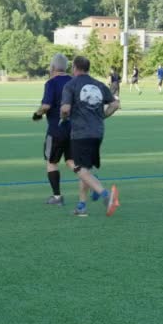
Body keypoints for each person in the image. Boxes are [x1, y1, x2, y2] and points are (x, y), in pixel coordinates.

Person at [61, 56, 121, 217]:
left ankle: (106, 195)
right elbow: (115, 104)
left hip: (81, 133)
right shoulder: (99, 84)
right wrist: (102, 116)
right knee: (85, 169)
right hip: (98, 132)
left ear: (74, 68)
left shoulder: (71, 85)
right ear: (87, 68)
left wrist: (64, 118)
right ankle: (82, 206)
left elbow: (66, 109)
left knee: (76, 166)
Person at [32, 54, 74, 206]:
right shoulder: (73, 81)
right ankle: (92, 180)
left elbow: (46, 106)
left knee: (51, 162)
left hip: (56, 130)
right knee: (71, 161)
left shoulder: (51, 83)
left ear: (52, 67)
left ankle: (57, 197)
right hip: (73, 129)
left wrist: (37, 115)